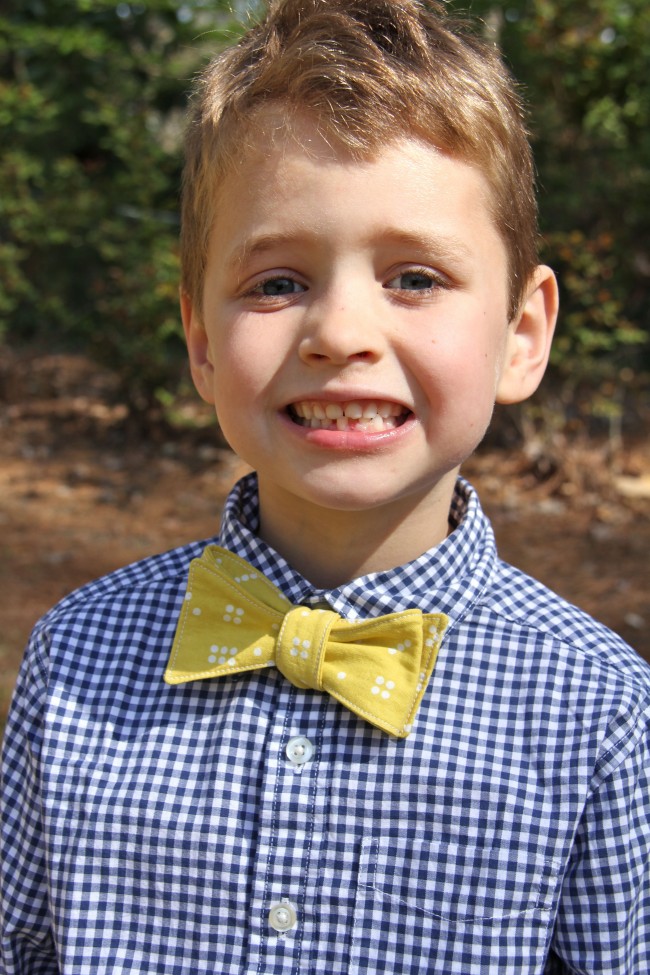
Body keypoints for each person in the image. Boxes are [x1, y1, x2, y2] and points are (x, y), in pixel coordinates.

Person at [2, 0, 649, 972]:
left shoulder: (596, 711)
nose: (338, 331)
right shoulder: (76, 661)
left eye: (415, 277)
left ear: (521, 335)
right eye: (275, 283)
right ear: (202, 343)